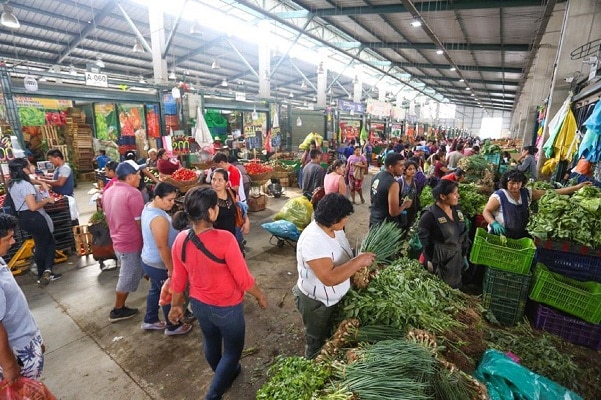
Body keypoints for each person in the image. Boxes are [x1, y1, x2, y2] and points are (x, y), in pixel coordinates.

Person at [168, 187, 267, 400]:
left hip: (199, 305)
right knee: (232, 351)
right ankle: (213, 394)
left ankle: (225, 374)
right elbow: (243, 280)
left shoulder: (181, 239)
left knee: (211, 342)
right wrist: (259, 295)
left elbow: (178, 278)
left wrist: (175, 305)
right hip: (227, 308)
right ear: (212, 212)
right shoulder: (226, 239)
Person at [293, 193, 375, 359]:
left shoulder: (334, 229)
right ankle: (312, 362)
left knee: (330, 332)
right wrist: (358, 261)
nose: (347, 220)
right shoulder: (313, 240)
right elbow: (329, 278)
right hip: (318, 303)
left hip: (334, 298)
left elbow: (341, 252)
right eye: (345, 217)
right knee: (316, 339)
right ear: (334, 219)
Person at [140, 182, 192, 336]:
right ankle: (173, 326)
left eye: (173, 199)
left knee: (156, 290)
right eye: (169, 200)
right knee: (169, 294)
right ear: (157, 198)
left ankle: (150, 319)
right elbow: (162, 246)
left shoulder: (149, 207)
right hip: (159, 263)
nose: (172, 203)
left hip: (148, 259)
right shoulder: (158, 219)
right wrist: (171, 269)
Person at [0, 214, 46, 383]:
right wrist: (9, 366)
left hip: (25, 342)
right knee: (20, 392)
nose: (13, 242)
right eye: (8, 238)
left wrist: (36, 338)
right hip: (16, 353)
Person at [482, 170, 591, 239]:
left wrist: (577, 187)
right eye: (512, 183)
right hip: (499, 235)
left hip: (520, 237)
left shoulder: (527, 193)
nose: (515, 186)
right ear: (506, 183)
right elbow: (486, 211)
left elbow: (553, 192)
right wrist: (494, 223)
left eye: (518, 183)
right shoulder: (499, 196)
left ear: (522, 183)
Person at [103, 160, 146, 322]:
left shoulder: (108, 191)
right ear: (129, 177)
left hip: (117, 239)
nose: (140, 177)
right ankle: (118, 309)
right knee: (127, 276)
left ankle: (160, 290)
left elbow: (107, 218)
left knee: (142, 268)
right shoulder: (133, 193)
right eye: (138, 174)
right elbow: (140, 222)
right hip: (131, 242)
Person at [7, 158, 60, 286]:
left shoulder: (13, 183)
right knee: (46, 245)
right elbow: (33, 207)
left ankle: (45, 272)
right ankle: (44, 273)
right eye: (29, 165)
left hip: (24, 218)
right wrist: (47, 200)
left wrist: (40, 181)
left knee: (42, 243)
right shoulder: (26, 185)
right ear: (24, 169)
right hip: (34, 217)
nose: (32, 167)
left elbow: (29, 180)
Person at [418, 180, 470, 289]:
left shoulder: (457, 210)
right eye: (455, 194)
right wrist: (430, 261)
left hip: (456, 260)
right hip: (439, 262)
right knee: (441, 290)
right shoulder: (429, 216)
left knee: (455, 288)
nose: (458, 196)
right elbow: (424, 242)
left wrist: (464, 254)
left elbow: (463, 232)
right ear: (443, 196)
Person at [210, 168, 250, 252]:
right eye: (213, 179)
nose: (216, 183)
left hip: (233, 236)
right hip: (217, 241)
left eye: (220, 180)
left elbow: (239, 208)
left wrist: (246, 221)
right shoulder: (209, 198)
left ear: (226, 182)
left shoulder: (231, 193)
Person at [369, 152, 412, 227]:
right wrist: (405, 205)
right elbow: (393, 212)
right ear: (391, 167)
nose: (404, 168)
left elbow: (373, 199)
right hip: (385, 225)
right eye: (401, 165)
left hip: (374, 220)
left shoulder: (376, 176)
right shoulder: (393, 184)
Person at [398, 160, 419, 228]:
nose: (412, 171)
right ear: (405, 170)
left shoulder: (415, 182)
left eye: (414, 169)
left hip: (411, 210)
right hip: (400, 210)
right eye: (409, 169)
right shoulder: (400, 182)